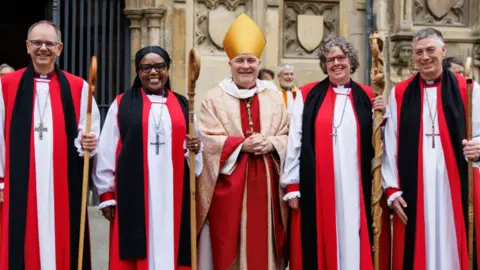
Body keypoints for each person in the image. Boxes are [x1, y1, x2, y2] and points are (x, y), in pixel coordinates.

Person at [281, 37, 391, 270]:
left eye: (341, 58)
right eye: (330, 59)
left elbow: (382, 142)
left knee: (354, 232)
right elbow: (295, 140)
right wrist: (292, 184)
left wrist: (384, 117)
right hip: (319, 183)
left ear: (351, 61)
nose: (336, 63)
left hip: (357, 181)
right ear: (324, 64)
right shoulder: (307, 94)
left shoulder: (368, 95)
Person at [0, 20, 100, 269]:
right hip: (19, 184)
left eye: (49, 43)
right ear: (27, 46)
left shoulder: (79, 88)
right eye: (36, 43)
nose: (42, 48)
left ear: (60, 48)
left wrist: (89, 140)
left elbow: (90, 131)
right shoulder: (5, 86)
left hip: (62, 183)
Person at [92, 46, 203, 269]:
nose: (153, 72)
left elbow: (194, 155)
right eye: (146, 67)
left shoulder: (183, 105)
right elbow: (106, 150)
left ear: (168, 69)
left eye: (159, 66)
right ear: (138, 71)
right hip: (135, 194)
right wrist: (106, 194)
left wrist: (195, 148)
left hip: (173, 193)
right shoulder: (122, 104)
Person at [197, 13, 290, 270]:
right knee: (230, 242)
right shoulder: (213, 98)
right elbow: (207, 140)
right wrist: (241, 145)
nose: (246, 66)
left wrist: (271, 143)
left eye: (251, 60)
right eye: (240, 61)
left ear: (259, 62)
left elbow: (289, 135)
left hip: (270, 189)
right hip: (230, 189)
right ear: (230, 63)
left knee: (267, 244)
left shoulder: (273, 97)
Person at [382, 28, 480, 270]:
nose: (425, 57)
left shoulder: (467, 88)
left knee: (456, 242)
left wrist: (478, 147)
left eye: (430, 50)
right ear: (413, 57)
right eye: (419, 52)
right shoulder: (401, 93)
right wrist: (392, 189)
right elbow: (390, 143)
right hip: (416, 186)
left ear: (443, 51)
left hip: (454, 184)